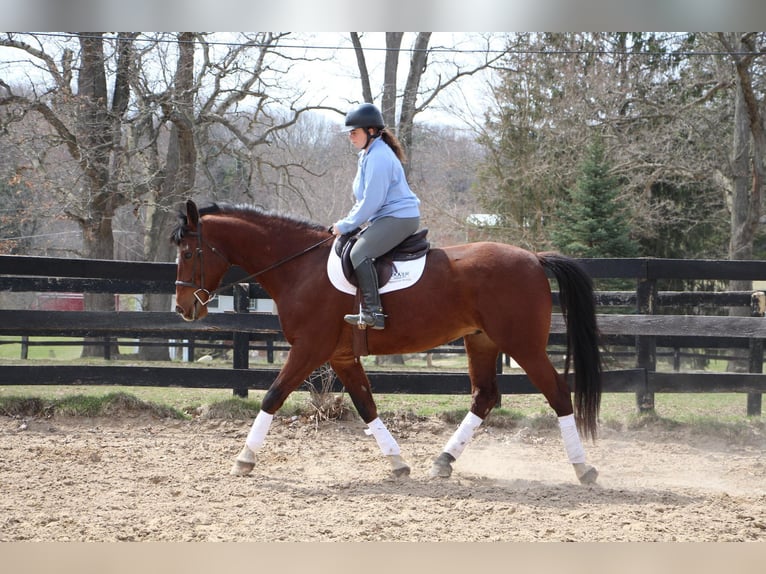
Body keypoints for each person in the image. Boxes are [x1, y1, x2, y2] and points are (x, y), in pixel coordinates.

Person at [331, 102, 421, 330]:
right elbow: (363, 201)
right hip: (385, 217)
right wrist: (347, 223)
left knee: (359, 252)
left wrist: (347, 224)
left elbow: (372, 201)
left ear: (371, 131)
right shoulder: (368, 155)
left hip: (399, 218)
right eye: (349, 133)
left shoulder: (379, 157)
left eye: (354, 132)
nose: (350, 137)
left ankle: (373, 313)